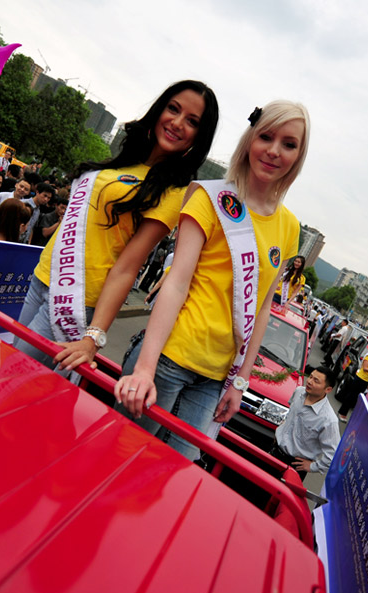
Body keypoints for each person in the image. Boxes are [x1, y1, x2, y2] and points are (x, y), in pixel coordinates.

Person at [116, 101, 308, 461]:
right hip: (169, 359)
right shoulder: (210, 197)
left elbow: (264, 307)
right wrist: (145, 367)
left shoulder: (289, 226)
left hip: (216, 378)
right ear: (250, 139)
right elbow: (175, 283)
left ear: (299, 155)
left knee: (175, 473)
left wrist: (240, 380)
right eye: (265, 137)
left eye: (289, 144)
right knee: (122, 460)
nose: (273, 151)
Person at [14, 80, 219, 372]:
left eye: (192, 121)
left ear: (199, 136)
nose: (177, 122)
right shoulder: (122, 163)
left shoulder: (173, 191)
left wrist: (93, 338)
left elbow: (128, 266)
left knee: (13, 375)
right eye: (173, 109)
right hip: (42, 278)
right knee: (8, 367)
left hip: (75, 300)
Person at [269, 366, 340, 481]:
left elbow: (332, 455)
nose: (310, 382)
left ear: (328, 389)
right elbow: (290, 415)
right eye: (310, 377)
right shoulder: (299, 392)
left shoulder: (329, 420)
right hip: (274, 451)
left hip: (292, 467)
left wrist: (313, 466)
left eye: (316, 381)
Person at [338, 341, 368, 420]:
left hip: (366, 381)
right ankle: (342, 413)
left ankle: (347, 415)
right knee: (351, 396)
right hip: (360, 378)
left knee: (356, 399)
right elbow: (365, 368)